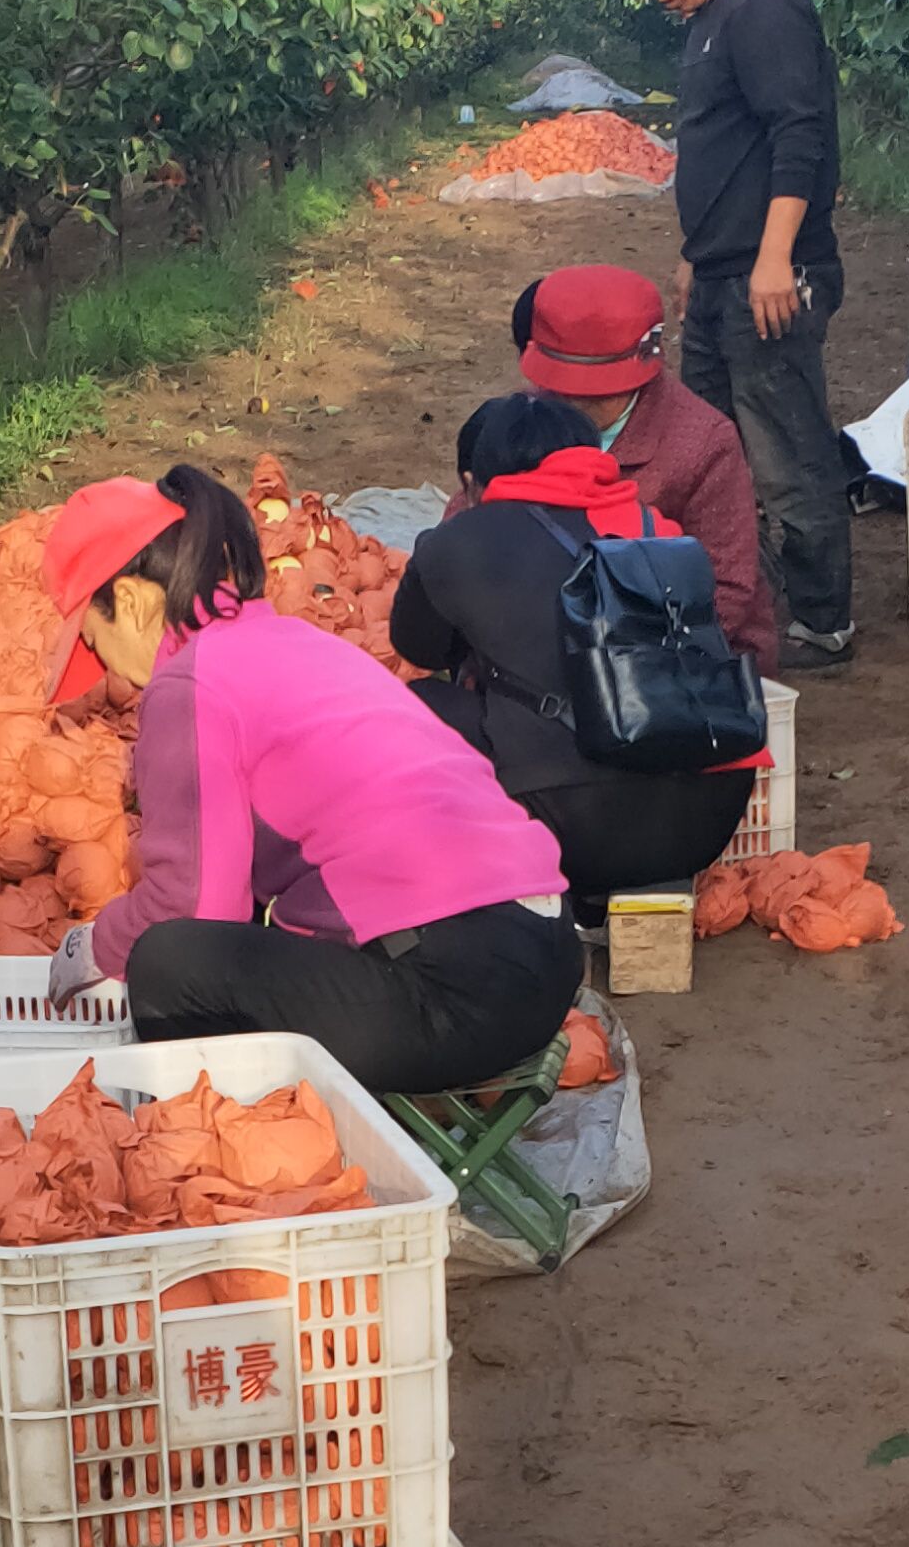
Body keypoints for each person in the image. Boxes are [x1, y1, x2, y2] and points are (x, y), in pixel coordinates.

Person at [36, 468, 583, 1095]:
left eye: (94, 639)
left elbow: (194, 905)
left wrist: (95, 946)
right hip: (547, 953)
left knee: (168, 962)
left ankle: (234, 1163)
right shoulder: (295, 641)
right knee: (250, 937)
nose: (111, 670)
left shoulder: (189, 682)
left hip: (455, 993)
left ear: (130, 603)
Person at [393, 395, 763, 918]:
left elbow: (417, 646)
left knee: (414, 707)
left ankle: (498, 887)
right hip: (707, 819)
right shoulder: (659, 529)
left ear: (474, 482)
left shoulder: (457, 540)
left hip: (573, 829)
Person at [620, 0, 852, 673]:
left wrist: (775, 257)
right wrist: (698, 254)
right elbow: (727, 151)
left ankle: (822, 620)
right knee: (709, 452)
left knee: (785, 448)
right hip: (724, 271)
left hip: (770, 275)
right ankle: (734, 605)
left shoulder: (763, 6)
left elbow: (799, 135)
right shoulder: (711, 17)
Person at [499, 263, 774, 670]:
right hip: (544, 636)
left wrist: (610, 659)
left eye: (595, 394)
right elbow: (470, 519)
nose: (574, 404)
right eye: (562, 389)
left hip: (671, 656)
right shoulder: (526, 415)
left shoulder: (705, 443)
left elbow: (727, 590)